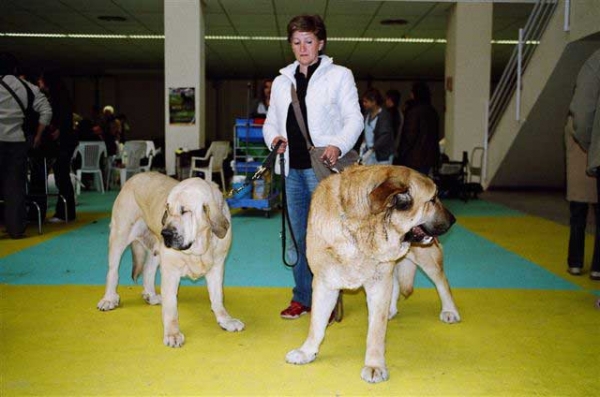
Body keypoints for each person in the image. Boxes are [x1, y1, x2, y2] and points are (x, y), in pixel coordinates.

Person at [262, 14, 363, 319]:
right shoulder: (282, 81)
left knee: (327, 237)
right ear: (291, 45)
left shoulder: (340, 76)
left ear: (320, 43)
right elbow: (270, 122)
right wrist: (274, 139)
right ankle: (302, 298)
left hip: (324, 170)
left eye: (308, 41)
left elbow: (354, 120)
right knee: (297, 237)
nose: (302, 47)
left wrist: (338, 145)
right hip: (291, 170)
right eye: (296, 42)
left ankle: (329, 299)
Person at [0, 53, 52, 238]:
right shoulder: (27, 87)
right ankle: (15, 229)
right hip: (16, 142)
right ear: (15, 69)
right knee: (15, 187)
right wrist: (38, 135)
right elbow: (46, 110)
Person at [569, 48, 600, 280]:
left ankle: (576, 262)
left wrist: (593, 144)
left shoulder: (596, 62)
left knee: (578, 215)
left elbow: (582, 112)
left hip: (590, 157)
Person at [32, 71, 77, 222]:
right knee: (62, 177)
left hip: (60, 144)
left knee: (61, 177)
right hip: (64, 143)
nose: (39, 82)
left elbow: (62, 122)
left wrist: (58, 130)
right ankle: (65, 212)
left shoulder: (57, 99)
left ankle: (64, 213)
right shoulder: (62, 97)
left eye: (41, 80)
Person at [395, 81, 440, 175]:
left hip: (414, 158)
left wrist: (400, 154)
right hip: (430, 157)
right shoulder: (432, 111)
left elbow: (410, 136)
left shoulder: (414, 112)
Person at [359, 88, 394, 165]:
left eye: (366, 102)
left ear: (374, 102)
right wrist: (363, 143)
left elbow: (385, 136)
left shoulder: (384, 116)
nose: (363, 104)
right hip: (369, 153)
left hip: (382, 155)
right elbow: (366, 131)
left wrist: (372, 149)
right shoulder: (367, 114)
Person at [385, 89, 403, 157]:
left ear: (390, 99)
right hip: (394, 146)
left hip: (388, 148)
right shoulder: (399, 112)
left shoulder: (390, 113)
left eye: (386, 99)